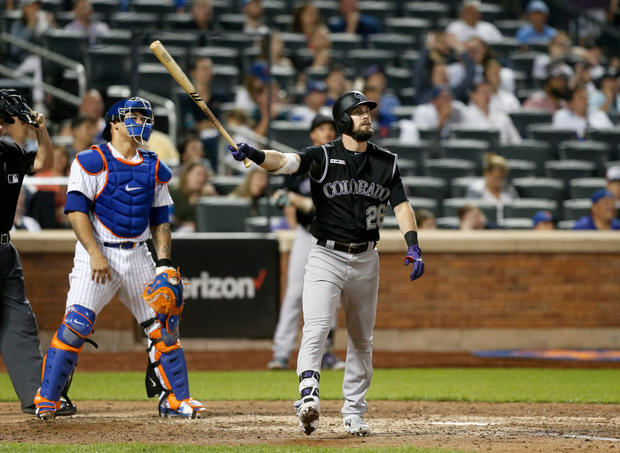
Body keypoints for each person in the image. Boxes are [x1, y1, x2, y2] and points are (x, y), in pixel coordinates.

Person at [227, 91, 425, 437]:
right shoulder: (322, 156)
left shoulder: (386, 161)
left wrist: (413, 244)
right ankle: (308, 397)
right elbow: (285, 162)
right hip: (326, 255)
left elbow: (402, 206)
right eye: (359, 112)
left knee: (362, 339)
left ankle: (354, 412)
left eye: (368, 111)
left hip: (366, 257)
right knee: (316, 327)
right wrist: (256, 155)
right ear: (343, 120)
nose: (366, 116)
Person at [33, 97, 206, 419]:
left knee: (165, 325)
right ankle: (48, 399)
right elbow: (75, 210)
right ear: (113, 123)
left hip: (138, 253)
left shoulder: (154, 166)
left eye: (144, 116)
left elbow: (161, 219)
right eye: (134, 116)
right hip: (98, 252)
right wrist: (95, 254)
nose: (141, 122)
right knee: (76, 325)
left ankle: (175, 400)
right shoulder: (90, 160)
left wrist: (165, 263)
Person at [0, 88, 75, 416]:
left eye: (4, 121)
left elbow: (44, 161)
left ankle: (37, 395)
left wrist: (40, 131)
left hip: (5, 250)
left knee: (20, 323)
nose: (3, 126)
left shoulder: (10, 151)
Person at [267, 115, 345, 371]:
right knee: (293, 295)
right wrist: (283, 197)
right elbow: (282, 194)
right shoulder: (304, 160)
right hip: (304, 234)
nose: (326, 133)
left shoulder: (339, 163)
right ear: (313, 134)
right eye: (321, 129)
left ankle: (327, 353)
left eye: (330, 129)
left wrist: (297, 201)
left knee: (329, 296)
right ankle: (281, 352)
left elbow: (318, 205)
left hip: (329, 237)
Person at [466, 153, 519, 222]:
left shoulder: (509, 189)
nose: (499, 180)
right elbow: (469, 215)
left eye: (502, 177)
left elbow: (516, 211)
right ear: (486, 173)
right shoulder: (476, 189)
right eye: (496, 176)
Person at [170, 162, 217, 232]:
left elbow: (215, 219)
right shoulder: (175, 194)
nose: (201, 178)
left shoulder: (206, 196)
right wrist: (184, 224)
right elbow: (170, 218)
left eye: (204, 176)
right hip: (177, 232)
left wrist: (213, 196)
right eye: (198, 174)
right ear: (187, 175)